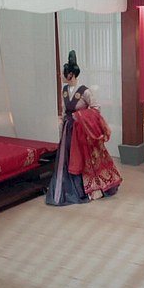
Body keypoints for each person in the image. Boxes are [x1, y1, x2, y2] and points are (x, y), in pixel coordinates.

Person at [46, 50, 122, 206]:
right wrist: (61, 126)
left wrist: (80, 116)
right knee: (66, 159)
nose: (61, 76)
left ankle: (89, 189)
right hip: (68, 131)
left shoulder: (84, 91)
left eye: (63, 74)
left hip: (81, 132)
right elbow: (64, 111)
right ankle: (63, 189)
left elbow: (96, 108)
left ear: (70, 74)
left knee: (84, 159)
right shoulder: (64, 91)